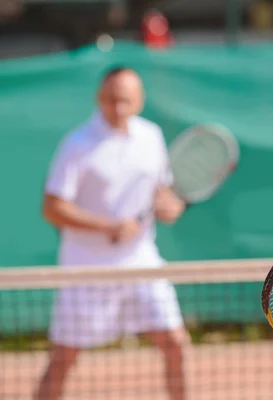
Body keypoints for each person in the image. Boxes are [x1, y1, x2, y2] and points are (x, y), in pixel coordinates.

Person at [36, 67, 188, 400]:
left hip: (141, 261)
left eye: (125, 101)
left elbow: (161, 191)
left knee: (176, 344)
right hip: (85, 267)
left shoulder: (152, 136)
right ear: (98, 98)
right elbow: (52, 208)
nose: (117, 109)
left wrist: (169, 205)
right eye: (110, 100)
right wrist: (109, 226)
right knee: (63, 358)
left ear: (140, 100)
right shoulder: (77, 144)